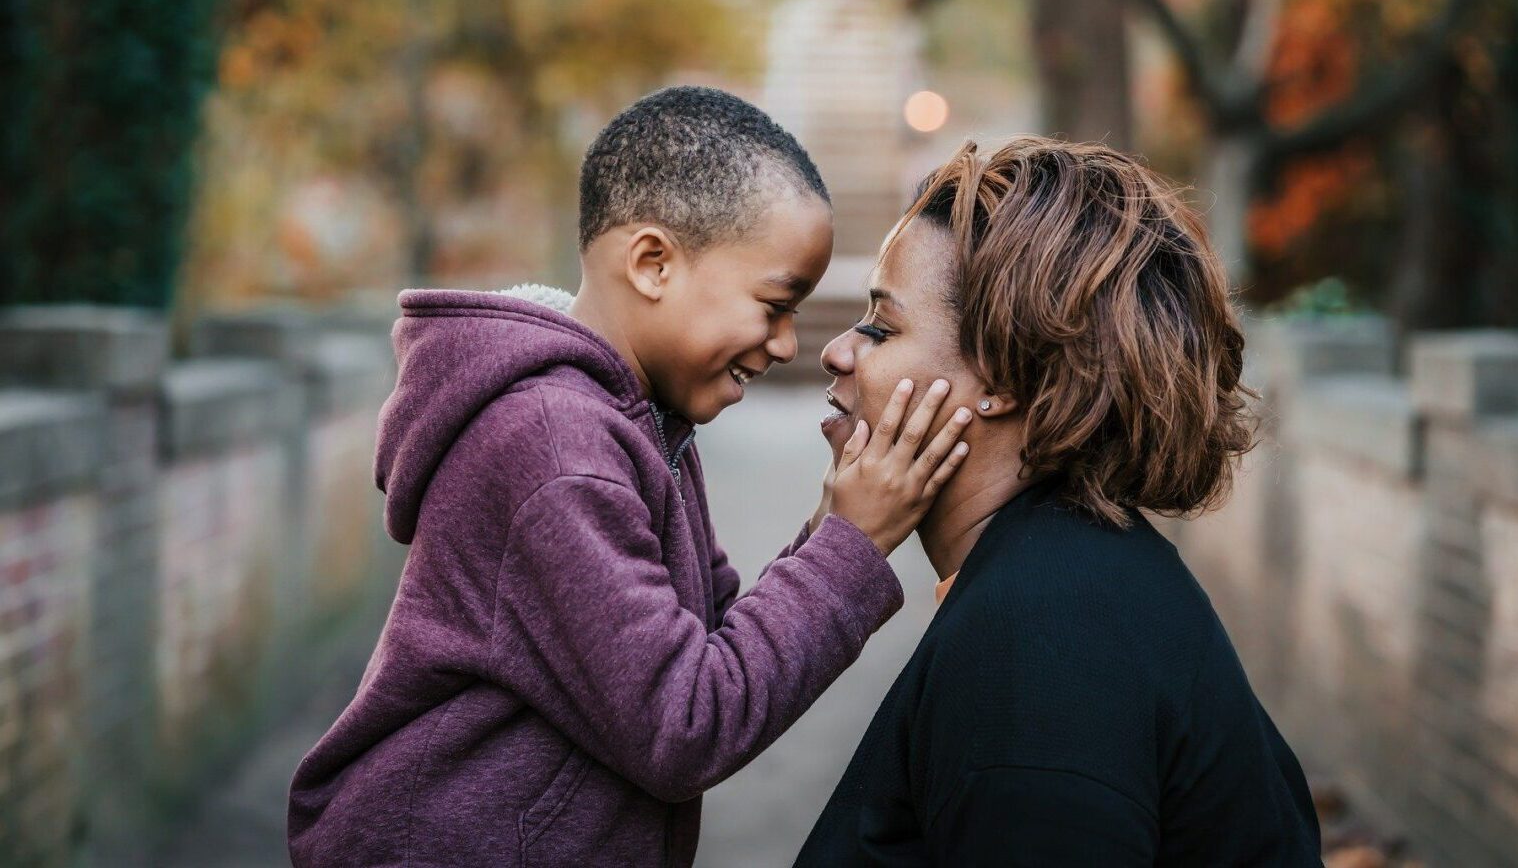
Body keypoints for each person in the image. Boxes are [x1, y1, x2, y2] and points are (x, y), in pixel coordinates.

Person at [287, 87, 972, 867]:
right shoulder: (555, 450)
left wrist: (827, 529)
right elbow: (684, 723)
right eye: (774, 304)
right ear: (652, 264)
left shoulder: (637, 423)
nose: (787, 345)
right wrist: (855, 543)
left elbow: (711, 642)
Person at [797, 136, 1322, 866]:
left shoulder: (1041, 647)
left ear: (1004, 377)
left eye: (883, 327)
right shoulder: (1062, 583)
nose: (838, 352)